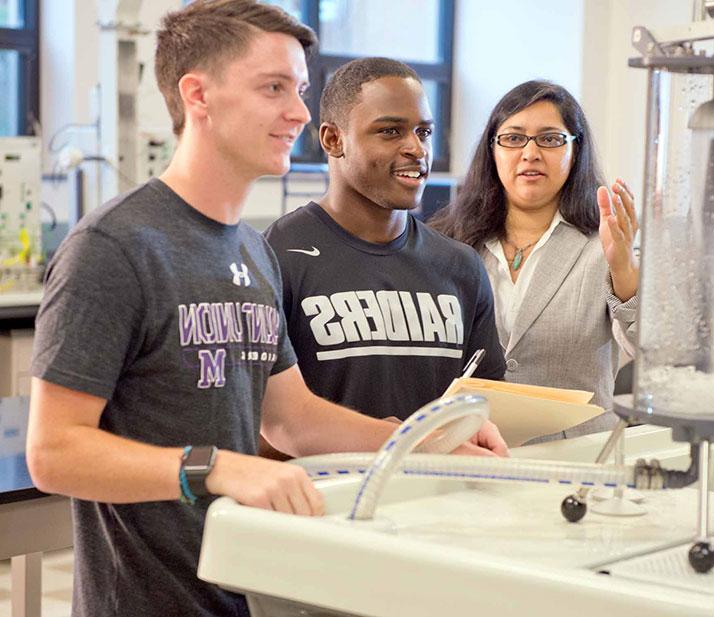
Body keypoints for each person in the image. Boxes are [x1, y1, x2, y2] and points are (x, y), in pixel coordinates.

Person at [26, 3, 505, 616]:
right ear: (197, 95)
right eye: (274, 88)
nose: (300, 113)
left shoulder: (252, 250)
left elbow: (293, 420)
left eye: (301, 90)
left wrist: (425, 443)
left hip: (240, 588)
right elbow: (53, 453)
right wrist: (218, 468)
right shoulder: (115, 248)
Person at [263, 57, 506, 422]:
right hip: (324, 481)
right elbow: (256, 425)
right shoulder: (278, 254)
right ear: (333, 139)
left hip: (438, 480)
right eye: (390, 131)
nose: (417, 149)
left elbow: (489, 408)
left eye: (423, 132)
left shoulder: (460, 266)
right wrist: (377, 440)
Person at [431, 80, 639, 437]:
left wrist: (623, 268)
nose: (530, 153)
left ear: (576, 150)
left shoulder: (604, 245)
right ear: (492, 150)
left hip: (576, 461)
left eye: (550, 139)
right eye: (513, 138)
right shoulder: (448, 244)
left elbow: (654, 353)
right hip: (469, 452)